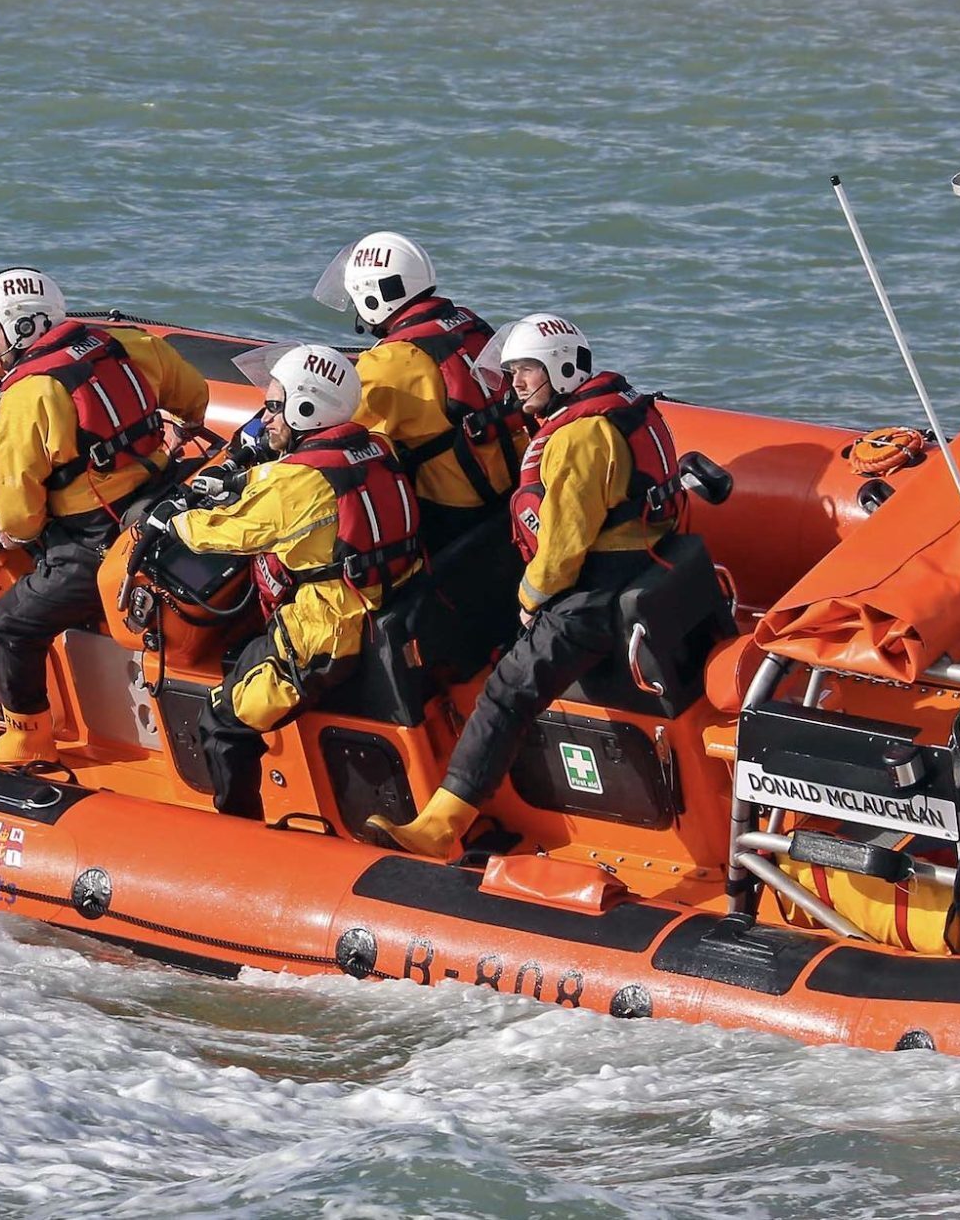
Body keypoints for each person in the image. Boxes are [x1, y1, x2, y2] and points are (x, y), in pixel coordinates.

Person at [372, 314, 682, 858]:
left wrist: (528, 601)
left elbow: (561, 548)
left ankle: (442, 824)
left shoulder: (577, 438)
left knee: (505, 691)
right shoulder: (624, 407)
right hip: (642, 567)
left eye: (526, 371)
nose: (514, 384)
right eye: (511, 371)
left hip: (595, 593)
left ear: (560, 369)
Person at [0, 267, 210, 768]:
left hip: (96, 541)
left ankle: (29, 742)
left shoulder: (28, 394)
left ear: (24, 327)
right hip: (161, 497)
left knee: (9, 624)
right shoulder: (128, 343)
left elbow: (19, 510)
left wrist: (11, 527)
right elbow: (193, 396)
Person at [170, 344, 425, 819]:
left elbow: (227, 533)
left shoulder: (296, 484)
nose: (265, 420)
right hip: (385, 604)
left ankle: (238, 827)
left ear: (305, 407)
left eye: (273, 407)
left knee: (221, 720)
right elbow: (291, 483)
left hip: (322, 635)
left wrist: (170, 522)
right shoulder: (376, 447)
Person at [313, 232, 518, 548]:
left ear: (372, 297)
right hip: (506, 489)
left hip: (453, 513)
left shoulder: (389, 362)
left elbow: (332, 436)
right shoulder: (466, 321)